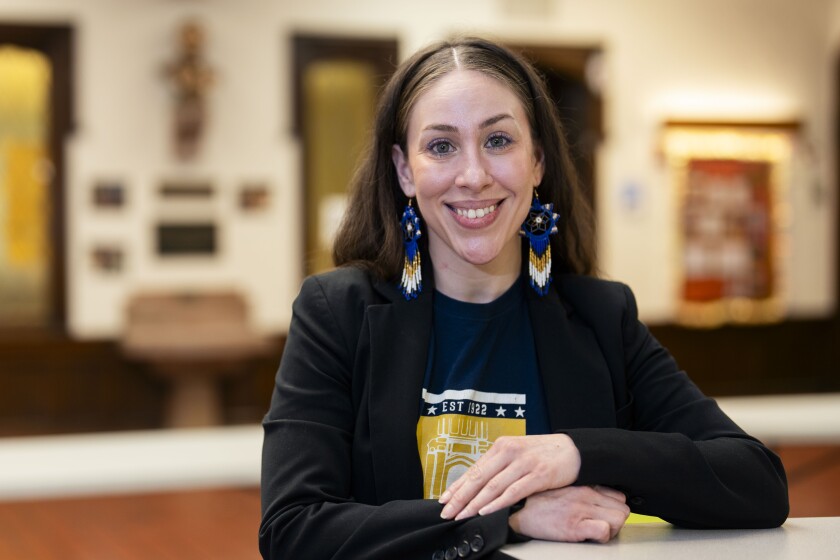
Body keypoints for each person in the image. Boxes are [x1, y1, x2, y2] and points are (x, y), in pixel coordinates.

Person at [259, 36, 789, 560]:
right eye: (441, 146)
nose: (473, 176)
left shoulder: (602, 316)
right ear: (404, 170)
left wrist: (577, 453)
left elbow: (757, 483)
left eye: (498, 141)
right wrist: (507, 519)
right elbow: (292, 528)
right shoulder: (337, 313)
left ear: (536, 160)